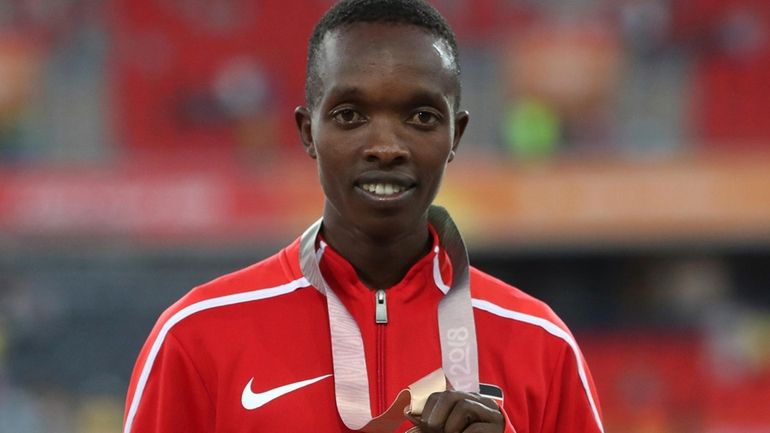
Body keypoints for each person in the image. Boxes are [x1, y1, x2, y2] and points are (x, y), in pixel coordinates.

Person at [123, 1, 604, 432]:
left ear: (455, 136)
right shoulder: (195, 337)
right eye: (350, 115)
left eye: (421, 117)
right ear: (307, 131)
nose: (386, 148)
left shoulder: (541, 345)